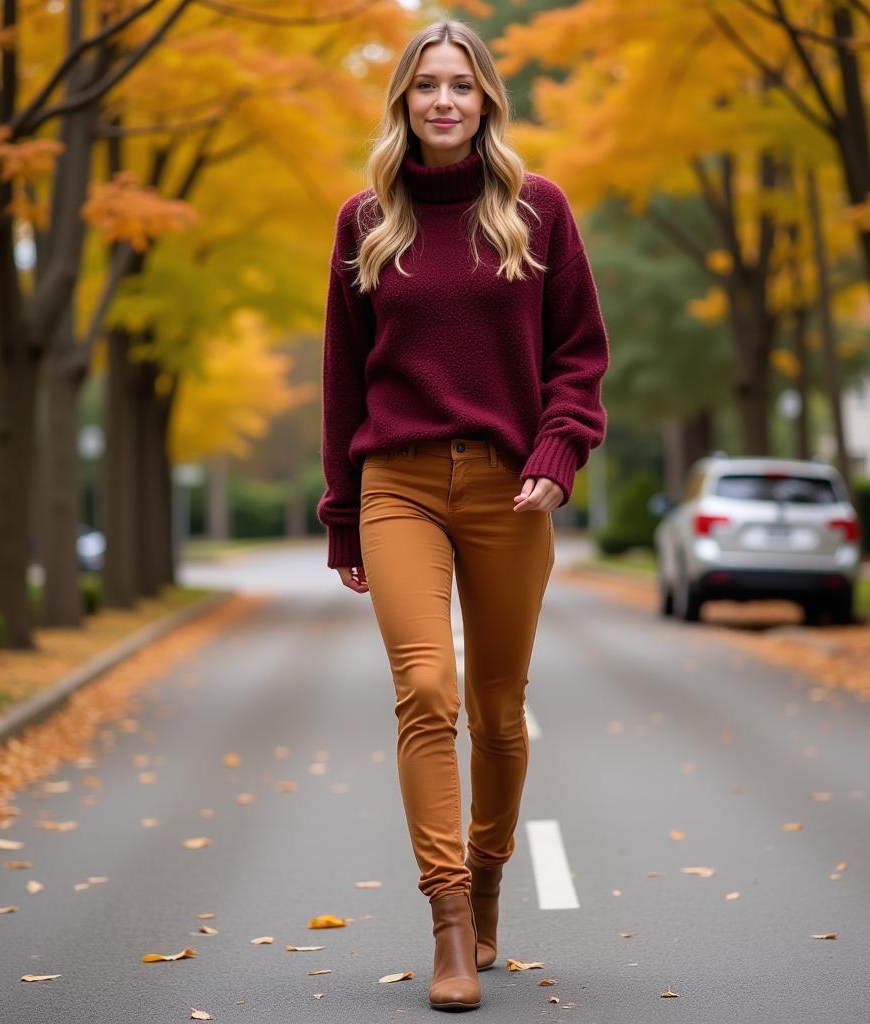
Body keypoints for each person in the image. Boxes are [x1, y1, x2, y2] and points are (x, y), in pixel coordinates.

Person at [316, 17, 609, 1012]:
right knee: (425, 689)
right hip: (395, 481)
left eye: (461, 84)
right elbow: (341, 382)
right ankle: (447, 918)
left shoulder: (537, 211)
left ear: (486, 100)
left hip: (508, 484)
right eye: (425, 85)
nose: (443, 100)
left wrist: (556, 450)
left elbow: (578, 352)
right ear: (402, 101)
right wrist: (341, 511)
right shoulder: (366, 222)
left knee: (496, 708)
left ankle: (488, 879)